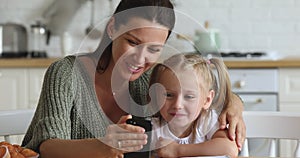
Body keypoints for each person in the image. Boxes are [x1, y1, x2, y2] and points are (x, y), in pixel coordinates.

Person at [21, 0, 245, 157]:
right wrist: (103, 146)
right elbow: (46, 148)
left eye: (154, 49)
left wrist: (234, 107)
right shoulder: (66, 73)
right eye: (133, 42)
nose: (141, 59)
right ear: (112, 28)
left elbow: (203, 94)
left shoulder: (154, 79)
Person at [149, 53, 238, 157]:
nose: (177, 105)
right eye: (169, 95)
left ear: (207, 100)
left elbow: (230, 149)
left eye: (189, 97)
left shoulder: (206, 122)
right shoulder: (152, 128)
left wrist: (178, 150)